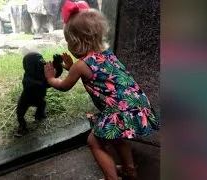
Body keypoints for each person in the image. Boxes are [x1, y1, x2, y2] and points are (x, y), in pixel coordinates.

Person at [44, 1, 159, 180]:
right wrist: (70, 67)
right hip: (136, 102)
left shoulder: (80, 65)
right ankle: (130, 170)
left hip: (118, 110)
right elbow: (97, 73)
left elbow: (65, 86)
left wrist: (51, 78)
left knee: (93, 141)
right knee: (117, 138)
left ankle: (111, 178)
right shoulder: (106, 54)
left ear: (75, 42)